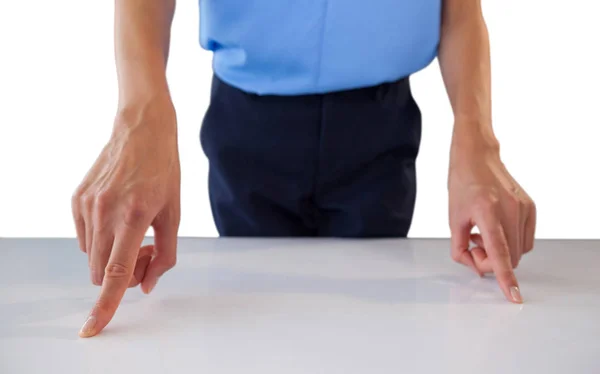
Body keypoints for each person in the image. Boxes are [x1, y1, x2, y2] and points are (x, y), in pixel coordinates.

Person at [73, 0, 536, 338]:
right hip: (248, 121)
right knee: (252, 322)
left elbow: (458, 8)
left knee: (375, 329)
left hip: (381, 127)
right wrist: (140, 115)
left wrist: (477, 137)